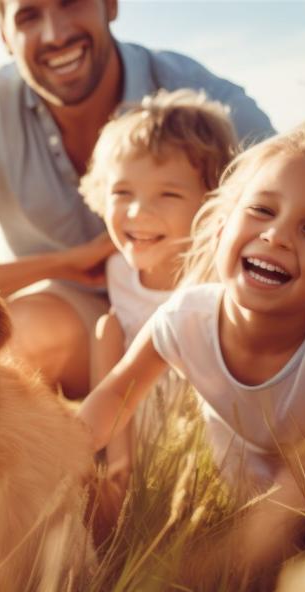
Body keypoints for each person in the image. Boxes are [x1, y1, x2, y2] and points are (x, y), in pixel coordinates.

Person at [0, 0, 272, 398]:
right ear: (5, 34)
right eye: (28, 16)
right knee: (12, 339)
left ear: (110, 5)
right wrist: (68, 264)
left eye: (70, 3)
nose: (55, 34)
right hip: (78, 320)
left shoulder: (205, 100)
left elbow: (304, 212)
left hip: (204, 314)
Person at [79, 123, 305, 501]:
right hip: (250, 503)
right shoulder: (184, 318)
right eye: (261, 209)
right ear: (221, 229)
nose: (276, 235)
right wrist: (56, 457)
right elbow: (113, 397)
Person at [78, 88, 238, 483]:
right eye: (122, 193)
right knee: (106, 329)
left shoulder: (219, 280)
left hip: (210, 449)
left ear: (213, 201)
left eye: (167, 193)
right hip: (135, 430)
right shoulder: (117, 272)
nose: (137, 212)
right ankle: (118, 474)